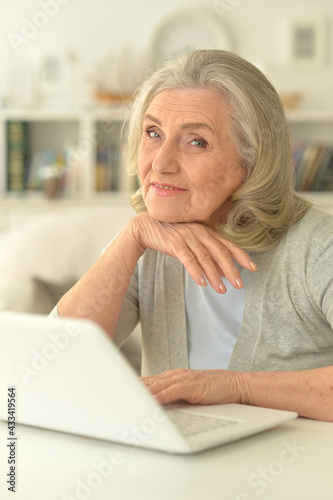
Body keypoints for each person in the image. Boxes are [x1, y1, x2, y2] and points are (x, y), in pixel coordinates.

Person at [52, 49, 333, 422]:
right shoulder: (146, 244)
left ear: (253, 160)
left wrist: (239, 387)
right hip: (175, 472)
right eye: (153, 133)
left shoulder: (318, 247)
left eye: (196, 141)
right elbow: (51, 367)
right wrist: (131, 238)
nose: (161, 163)